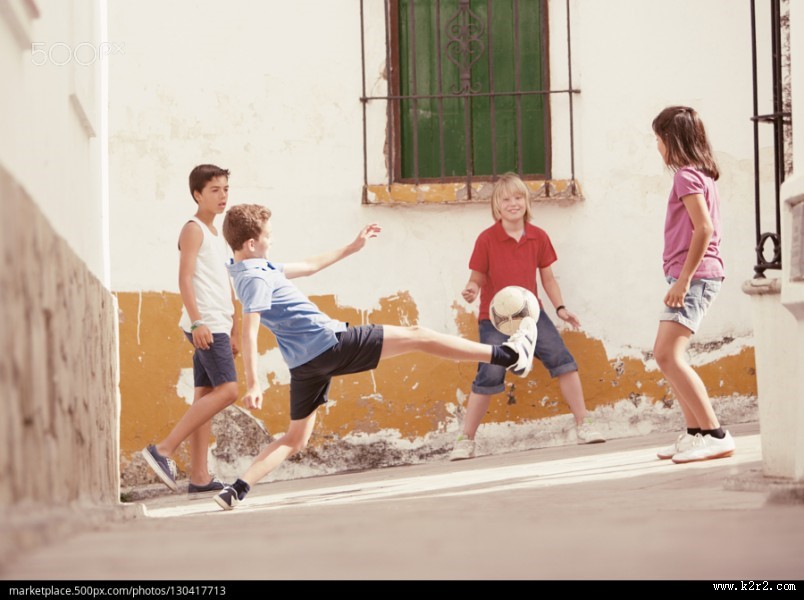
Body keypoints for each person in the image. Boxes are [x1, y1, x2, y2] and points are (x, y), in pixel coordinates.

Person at [212, 203, 539, 510]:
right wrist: (254, 383)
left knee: (294, 438)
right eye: (268, 235)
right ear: (253, 243)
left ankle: (237, 489)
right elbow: (249, 330)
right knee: (419, 336)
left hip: (305, 364)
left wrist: (351, 248)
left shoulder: (247, 270)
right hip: (331, 342)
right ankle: (507, 354)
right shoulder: (255, 278)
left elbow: (310, 267)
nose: (272, 240)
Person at [449, 172, 605, 462]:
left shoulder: (538, 236)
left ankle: (584, 423)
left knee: (562, 359)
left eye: (518, 197)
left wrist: (560, 308)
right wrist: (471, 290)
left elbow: (548, 279)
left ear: (526, 201)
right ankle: (465, 439)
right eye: (505, 199)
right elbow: (476, 278)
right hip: (494, 320)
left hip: (532, 317)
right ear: (496, 206)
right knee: (490, 372)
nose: (513, 203)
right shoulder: (486, 239)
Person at [140, 164, 240, 498]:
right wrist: (198, 322)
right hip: (206, 325)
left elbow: (225, 283)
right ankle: (164, 449)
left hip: (219, 323)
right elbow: (185, 278)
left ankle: (199, 476)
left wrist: (235, 328)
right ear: (197, 194)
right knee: (228, 391)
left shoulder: (217, 234)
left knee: (205, 396)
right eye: (214, 190)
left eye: (225, 188)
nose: (222, 195)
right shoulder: (193, 229)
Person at [650, 106, 735, 464]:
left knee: (667, 354)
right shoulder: (701, 175)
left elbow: (704, 228)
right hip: (693, 274)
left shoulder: (685, 176)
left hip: (694, 276)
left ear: (671, 140)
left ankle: (715, 433)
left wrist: (683, 280)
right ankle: (695, 433)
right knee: (668, 356)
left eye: (658, 139)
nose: (656, 146)